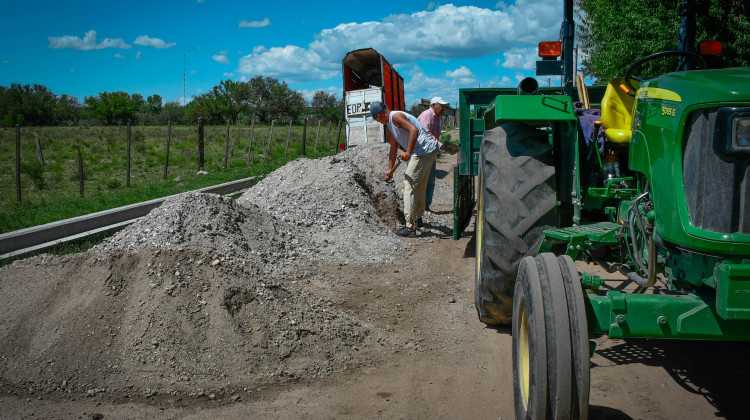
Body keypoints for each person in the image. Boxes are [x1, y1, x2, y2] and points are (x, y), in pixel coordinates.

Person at [370, 100, 439, 237]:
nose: (379, 123)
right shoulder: (391, 123)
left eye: (377, 121)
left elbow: (414, 129)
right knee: (420, 186)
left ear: (379, 116)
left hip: (422, 151)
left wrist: (408, 151)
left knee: (408, 186)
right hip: (429, 150)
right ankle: (418, 218)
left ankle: (410, 227)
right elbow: (393, 148)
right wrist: (390, 169)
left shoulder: (395, 117)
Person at [417, 97, 449, 217]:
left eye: (444, 107)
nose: (443, 109)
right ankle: (420, 207)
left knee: (430, 180)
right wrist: (440, 145)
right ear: (434, 105)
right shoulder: (427, 115)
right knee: (423, 180)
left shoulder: (436, 117)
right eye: (441, 106)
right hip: (422, 153)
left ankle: (426, 205)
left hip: (430, 152)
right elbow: (426, 134)